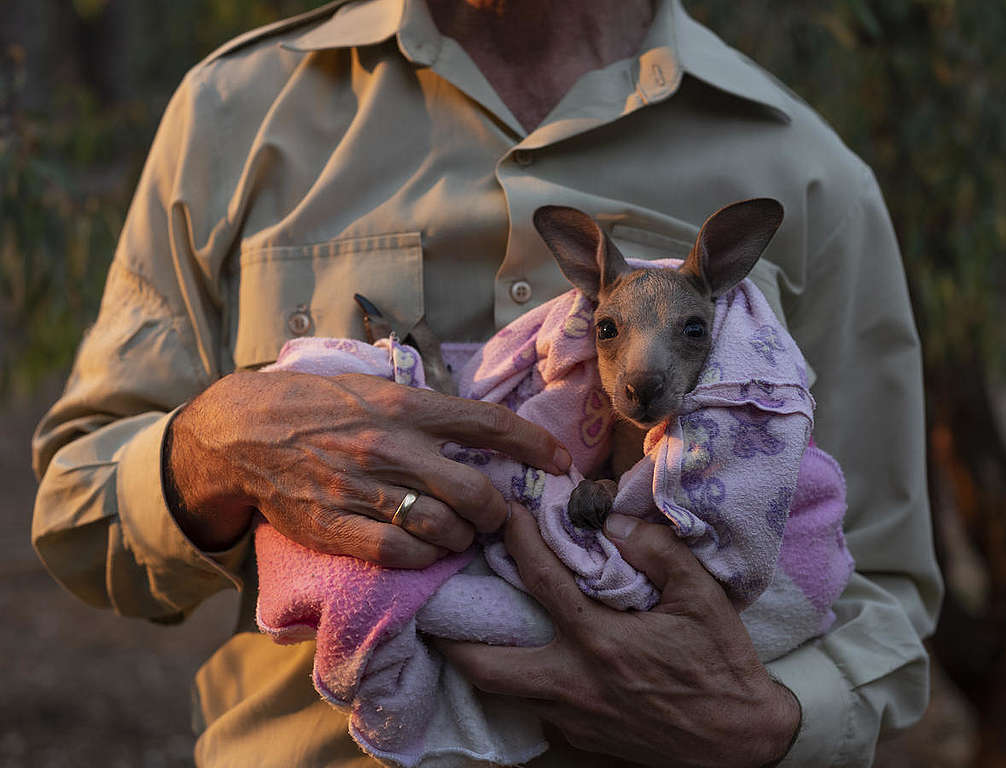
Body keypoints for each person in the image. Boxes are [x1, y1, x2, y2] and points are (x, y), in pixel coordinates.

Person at [31, 0, 943, 765]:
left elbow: (885, 590)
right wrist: (214, 448)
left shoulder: (807, 169)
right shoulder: (237, 112)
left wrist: (773, 721)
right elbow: (77, 511)